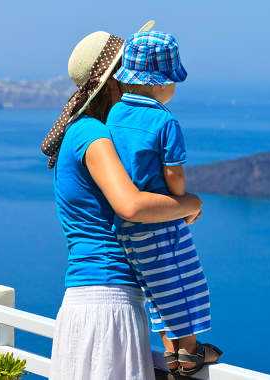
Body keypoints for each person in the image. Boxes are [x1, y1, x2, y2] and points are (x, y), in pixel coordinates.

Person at [41, 20, 203, 380]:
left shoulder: (77, 133)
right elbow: (130, 206)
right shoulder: (92, 134)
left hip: (87, 300)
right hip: (108, 301)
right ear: (116, 80)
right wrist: (189, 204)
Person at [107, 30, 221, 376]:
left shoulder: (113, 117)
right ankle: (188, 353)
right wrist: (184, 202)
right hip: (160, 217)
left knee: (155, 285)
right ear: (161, 83)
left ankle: (171, 352)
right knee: (182, 281)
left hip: (127, 226)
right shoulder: (164, 120)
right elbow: (174, 174)